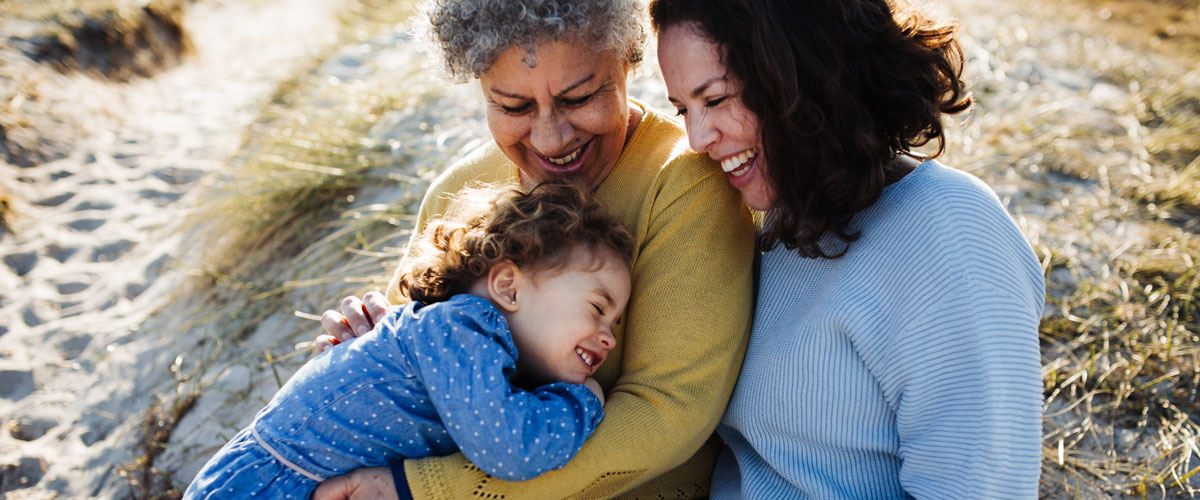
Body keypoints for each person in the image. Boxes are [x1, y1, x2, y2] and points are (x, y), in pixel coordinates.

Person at [311, 0, 757, 498]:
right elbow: (409, 383)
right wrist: (365, 351)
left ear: (628, 54)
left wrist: (428, 489)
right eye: (513, 106)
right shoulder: (459, 191)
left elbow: (667, 410)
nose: (550, 138)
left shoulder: (684, 185)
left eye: (579, 96)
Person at [649, 0, 1046, 498]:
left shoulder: (950, 235)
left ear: (803, 73)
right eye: (683, 108)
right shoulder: (762, 209)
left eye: (717, 98)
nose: (698, 138)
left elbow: (984, 487)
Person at [184, 184, 633, 500]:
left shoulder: (454, 340)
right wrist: (583, 401)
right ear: (508, 287)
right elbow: (511, 449)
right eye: (597, 308)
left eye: (615, 321)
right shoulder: (463, 327)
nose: (609, 336)